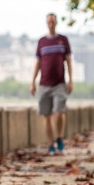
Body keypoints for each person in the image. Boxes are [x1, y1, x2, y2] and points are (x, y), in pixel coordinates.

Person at [30, 13, 73, 154]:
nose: (51, 24)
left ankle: (59, 137)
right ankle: (51, 144)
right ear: (46, 23)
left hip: (59, 83)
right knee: (46, 115)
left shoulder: (63, 40)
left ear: (56, 22)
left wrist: (71, 80)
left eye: (53, 21)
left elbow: (69, 61)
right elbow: (38, 63)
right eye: (48, 21)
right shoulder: (41, 42)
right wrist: (33, 82)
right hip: (43, 84)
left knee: (59, 112)